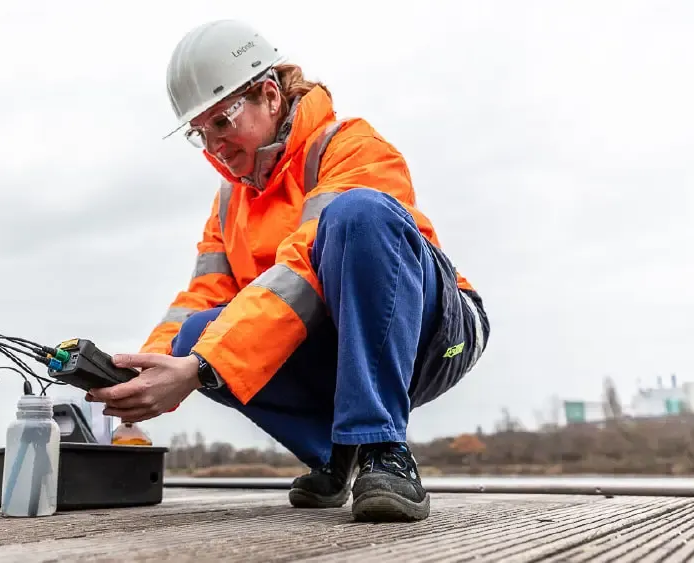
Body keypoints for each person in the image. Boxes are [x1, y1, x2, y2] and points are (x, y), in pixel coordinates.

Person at [87, 19, 490, 522]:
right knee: (194, 334)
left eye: (222, 121)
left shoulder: (349, 147)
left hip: (434, 332)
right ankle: (335, 452)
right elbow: (204, 296)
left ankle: (382, 446)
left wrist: (202, 368)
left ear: (270, 96)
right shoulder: (231, 202)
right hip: (337, 342)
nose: (213, 145)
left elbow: (305, 273)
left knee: (357, 215)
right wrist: (141, 368)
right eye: (200, 132)